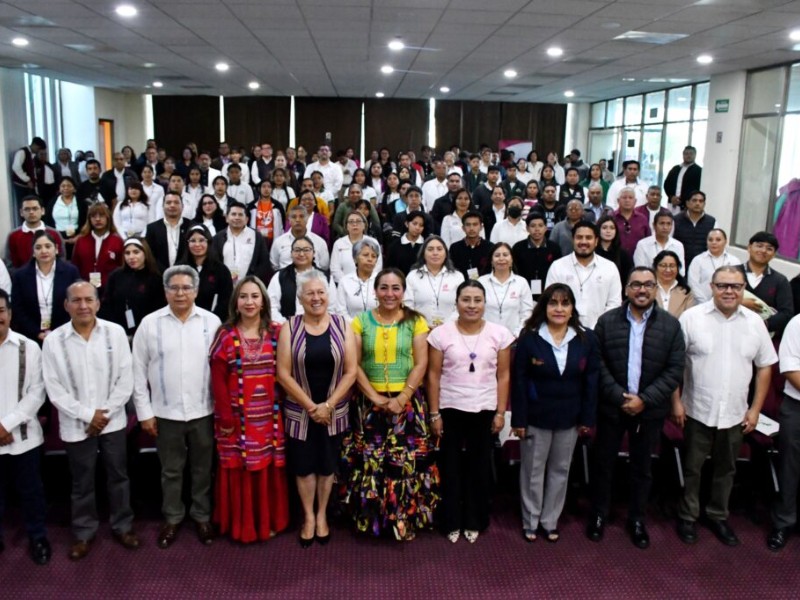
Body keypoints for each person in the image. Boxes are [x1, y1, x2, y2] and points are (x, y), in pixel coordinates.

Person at [675, 266, 778, 547]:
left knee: (726, 468)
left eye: (735, 286)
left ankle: (718, 515)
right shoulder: (692, 318)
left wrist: (755, 409)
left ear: (744, 288)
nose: (729, 291)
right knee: (693, 467)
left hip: (735, 412)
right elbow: (675, 364)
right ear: (711, 287)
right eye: (723, 286)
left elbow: (765, 367)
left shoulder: (755, 322)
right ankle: (688, 515)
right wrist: (676, 403)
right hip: (697, 408)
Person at [587, 267, 685, 549]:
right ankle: (598, 515)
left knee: (642, 468)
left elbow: (675, 368)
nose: (642, 290)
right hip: (611, 406)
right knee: (603, 463)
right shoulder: (606, 322)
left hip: (650, 409)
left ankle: (637, 519)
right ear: (626, 289)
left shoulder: (671, 325)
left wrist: (646, 399)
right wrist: (619, 396)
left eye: (648, 285)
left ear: (655, 289)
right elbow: (598, 363)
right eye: (636, 285)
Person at [340, 268, 439, 540]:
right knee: (372, 464)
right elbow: (354, 364)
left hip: (406, 405)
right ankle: (372, 521)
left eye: (396, 288)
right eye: (384, 288)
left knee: (404, 464)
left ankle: (403, 521)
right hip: (368, 404)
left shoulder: (416, 322)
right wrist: (375, 397)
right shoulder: (360, 322)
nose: (389, 294)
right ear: (375, 291)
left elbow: (422, 364)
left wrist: (403, 398)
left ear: (404, 292)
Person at [42, 281, 139, 560]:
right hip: (77, 423)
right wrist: (88, 415)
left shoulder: (115, 333)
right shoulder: (53, 341)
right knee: (81, 481)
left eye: (88, 299)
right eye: (76, 300)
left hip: (113, 421)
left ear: (97, 303)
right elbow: (54, 388)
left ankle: (123, 526)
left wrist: (103, 414)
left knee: (118, 476)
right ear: (66, 305)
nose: (83, 305)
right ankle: (83, 533)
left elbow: (126, 378)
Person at [132, 265, 222, 549]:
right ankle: (172, 517)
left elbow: (220, 370)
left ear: (196, 291)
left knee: (202, 469)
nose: (180, 293)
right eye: (174, 288)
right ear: (165, 291)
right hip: (165, 412)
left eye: (186, 287)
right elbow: (137, 372)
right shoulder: (150, 324)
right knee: (170, 470)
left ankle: (202, 516)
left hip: (203, 410)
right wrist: (144, 413)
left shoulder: (212, 322)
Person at [274, 271, 357, 547]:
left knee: (327, 465)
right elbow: (283, 374)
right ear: (300, 298)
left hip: (333, 411)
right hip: (301, 411)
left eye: (320, 292)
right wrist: (312, 407)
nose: (316, 298)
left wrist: (328, 405)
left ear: (328, 295)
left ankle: (322, 516)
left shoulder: (343, 325)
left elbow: (351, 371)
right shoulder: (290, 327)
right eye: (309, 293)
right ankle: (308, 517)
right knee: (304, 466)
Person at [512, 283, 599, 543]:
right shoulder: (529, 336)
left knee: (560, 470)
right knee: (532, 471)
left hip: (570, 418)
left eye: (565, 303)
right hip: (536, 417)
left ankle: (549, 521)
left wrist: (587, 418)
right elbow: (519, 381)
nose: (559, 309)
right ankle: (531, 520)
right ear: (544, 307)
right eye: (553, 303)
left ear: (572, 309)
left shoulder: (587, 338)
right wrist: (519, 419)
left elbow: (592, 381)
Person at [427, 280, 512, 543]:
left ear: (485, 303)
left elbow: (504, 375)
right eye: (466, 300)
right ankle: (451, 520)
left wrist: (500, 412)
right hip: (449, 408)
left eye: (477, 300)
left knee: (479, 468)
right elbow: (433, 375)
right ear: (456, 303)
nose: (472, 305)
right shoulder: (441, 334)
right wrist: (434, 414)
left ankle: (475, 519)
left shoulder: (500, 333)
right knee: (449, 467)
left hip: (484, 409)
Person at [209, 276, 290, 543]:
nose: (249, 302)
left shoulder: (278, 332)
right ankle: (242, 525)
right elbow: (218, 379)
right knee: (239, 468)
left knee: (268, 468)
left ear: (264, 301)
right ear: (235, 302)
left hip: (269, 417)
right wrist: (226, 416)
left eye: (255, 296)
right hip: (235, 418)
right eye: (243, 296)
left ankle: (268, 521)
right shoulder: (225, 334)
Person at [0, 289, 51, 565]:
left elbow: (37, 392)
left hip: (26, 436)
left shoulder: (28, 346)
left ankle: (37, 536)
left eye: (1, 311)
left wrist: (6, 425)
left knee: (32, 491)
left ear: (9, 313)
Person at [545, 221, 622, 329]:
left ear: (596, 241)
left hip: (600, 332)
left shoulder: (609, 268)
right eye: (579, 237)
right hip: (565, 331)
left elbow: (614, 304)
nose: (583, 241)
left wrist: (600, 327)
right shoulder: (558, 267)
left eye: (588, 237)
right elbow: (550, 301)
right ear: (573, 240)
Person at [11, 231, 80, 344]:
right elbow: (18, 308)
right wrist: (37, 332)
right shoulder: (20, 276)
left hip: (65, 334)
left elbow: (76, 303)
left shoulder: (71, 272)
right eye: (38, 247)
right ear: (33, 252)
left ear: (56, 249)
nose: (43, 251)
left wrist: (57, 332)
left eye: (48, 246)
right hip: (31, 336)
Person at [768, 312, 800, 551]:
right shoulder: (797, 323)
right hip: (797, 406)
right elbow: (790, 369)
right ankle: (784, 521)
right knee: (791, 466)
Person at [100, 237, 165, 338]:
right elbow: (107, 304)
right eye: (127, 253)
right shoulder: (115, 276)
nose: (131, 257)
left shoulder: (156, 277)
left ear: (145, 253)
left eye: (136, 252)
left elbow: (159, 308)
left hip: (147, 333)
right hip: (119, 332)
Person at [267, 237, 336, 324]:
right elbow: (271, 307)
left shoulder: (325, 277)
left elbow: (332, 308)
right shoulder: (280, 277)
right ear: (291, 254)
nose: (302, 254)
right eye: (297, 250)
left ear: (314, 253)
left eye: (306, 250)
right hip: (287, 328)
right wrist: (287, 325)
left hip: (320, 327)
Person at [741, 231, 794, 339]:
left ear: (774, 254)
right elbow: (715, 299)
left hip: (763, 337)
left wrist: (762, 325)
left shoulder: (780, 281)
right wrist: (739, 303)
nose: (763, 251)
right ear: (749, 247)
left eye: (769, 248)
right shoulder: (731, 273)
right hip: (729, 330)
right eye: (759, 246)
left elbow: (786, 313)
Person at [405, 236, 466, 328]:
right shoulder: (412, 276)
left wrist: (446, 326)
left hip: (451, 329)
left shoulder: (457, 277)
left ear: (446, 253)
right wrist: (422, 326)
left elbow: (461, 305)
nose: (435, 253)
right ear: (423, 253)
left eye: (439, 249)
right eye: (430, 249)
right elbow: (407, 305)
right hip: (419, 330)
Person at [477, 243, 533, 337]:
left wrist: (516, 334)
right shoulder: (481, 282)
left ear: (511, 260)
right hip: (485, 337)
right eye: (497, 255)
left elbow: (527, 313)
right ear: (491, 260)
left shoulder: (521, 282)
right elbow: (476, 311)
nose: (501, 259)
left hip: (515, 339)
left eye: (505, 255)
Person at [179, 225, 233, 322]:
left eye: (201, 240)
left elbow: (226, 301)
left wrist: (213, 321)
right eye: (193, 241)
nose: (197, 244)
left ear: (208, 242)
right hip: (182, 320)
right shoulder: (179, 268)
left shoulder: (221, 270)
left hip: (212, 322)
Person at [211, 201, 270, 283]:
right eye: (233, 214)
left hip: (250, 286)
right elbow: (214, 262)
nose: (237, 217)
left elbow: (264, 262)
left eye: (240, 215)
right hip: (225, 285)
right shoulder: (218, 238)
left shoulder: (257, 236)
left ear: (246, 219)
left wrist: (252, 281)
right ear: (227, 218)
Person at [70, 203, 124, 293]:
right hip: (85, 289)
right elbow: (75, 265)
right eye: (93, 216)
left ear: (108, 218)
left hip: (110, 289)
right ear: (89, 219)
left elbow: (121, 267)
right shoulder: (81, 241)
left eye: (101, 215)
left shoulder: (117, 241)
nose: (97, 219)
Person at [512, 212, 561, 303]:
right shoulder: (518, 248)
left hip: (548, 292)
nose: (537, 229)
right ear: (527, 228)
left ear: (546, 228)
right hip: (523, 292)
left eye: (540, 225)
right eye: (533, 226)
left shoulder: (554, 248)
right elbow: (514, 271)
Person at [6, 196, 65, 269]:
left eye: (35, 208)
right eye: (27, 209)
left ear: (42, 211)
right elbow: (10, 263)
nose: (31, 212)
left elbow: (61, 259)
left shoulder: (54, 234)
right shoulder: (13, 236)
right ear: (21, 212)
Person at [686, 228, 740, 304]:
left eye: (718, 240)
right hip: (701, 304)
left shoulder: (734, 261)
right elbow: (693, 284)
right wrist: (705, 303)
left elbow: (737, 284)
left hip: (727, 304)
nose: (714, 242)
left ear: (725, 242)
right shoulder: (698, 260)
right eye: (710, 240)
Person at [270, 205, 330, 272]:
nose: (297, 220)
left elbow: (324, 267)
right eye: (294, 217)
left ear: (307, 219)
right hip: (285, 279)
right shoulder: (279, 242)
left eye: (301, 216)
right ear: (289, 220)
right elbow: (275, 266)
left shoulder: (319, 242)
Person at [330, 211, 383, 285]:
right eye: (351, 222)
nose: (354, 224)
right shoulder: (338, 243)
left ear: (364, 225)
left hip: (369, 284)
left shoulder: (373, 242)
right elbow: (335, 268)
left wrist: (366, 281)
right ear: (346, 226)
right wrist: (347, 283)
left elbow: (378, 266)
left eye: (358, 221)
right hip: (345, 285)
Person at [336, 239, 380, 321]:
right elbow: (341, 312)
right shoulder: (345, 281)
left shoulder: (382, 280)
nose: (370, 259)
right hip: (351, 329)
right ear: (355, 258)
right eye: (365, 255)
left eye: (374, 256)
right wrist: (356, 327)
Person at [145, 192, 191, 272]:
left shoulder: (191, 226)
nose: (172, 205)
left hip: (186, 275)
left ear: (182, 206)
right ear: (163, 206)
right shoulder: (152, 228)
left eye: (176, 202)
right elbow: (150, 255)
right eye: (168, 202)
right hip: (158, 276)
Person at [44, 176, 86, 260]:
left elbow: (85, 220)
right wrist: (58, 238)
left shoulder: (81, 202)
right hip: (57, 236)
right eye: (63, 186)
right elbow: (47, 221)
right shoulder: (52, 203)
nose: (66, 188)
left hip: (78, 236)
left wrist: (79, 236)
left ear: (74, 188)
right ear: (59, 189)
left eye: (69, 186)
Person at [673, 191, 716, 269]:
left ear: (704, 204)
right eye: (694, 200)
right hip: (680, 264)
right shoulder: (675, 220)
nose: (697, 203)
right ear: (687, 203)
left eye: (701, 201)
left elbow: (715, 244)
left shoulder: (712, 222)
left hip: (703, 265)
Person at [449, 210, 493, 281]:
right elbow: (452, 270)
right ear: (463, 228)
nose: (471, 228)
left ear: (481, 227)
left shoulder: (490, 247)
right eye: (468, 225)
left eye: (475, 224)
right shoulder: (455, 248)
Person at [653, 250, 695, 318]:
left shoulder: (686, 292)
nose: (668, 270)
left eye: (672, 266)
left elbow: (689, 318)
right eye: (663, 266)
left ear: (678, 268)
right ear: (655, 267)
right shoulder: (647, 288)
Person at [595, 215, 633, 287]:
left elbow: (627, 278)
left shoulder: (623, 254)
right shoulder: (592, 252)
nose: (608, 231)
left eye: (612, 228)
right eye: (604, 228)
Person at [385, 211, 426, 276]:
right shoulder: (395, 246)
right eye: (414, 224)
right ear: (407, 224)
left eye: (421, 225)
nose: (417, 228)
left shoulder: (426, 245)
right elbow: (388, 269)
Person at [613, 187, 651, 256]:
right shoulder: (611, 217)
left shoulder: (642, 219)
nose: (627, 200)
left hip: (638, 259)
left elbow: (648, 240)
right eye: (624, 197)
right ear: (618, 200)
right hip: (615, 258)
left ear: (635, 201)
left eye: (630, 198)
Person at [664, 146, 702, 211]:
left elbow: (697, 189)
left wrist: (685, 199)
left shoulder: (699, 171)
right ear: (683, 155)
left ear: (695, 155)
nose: (688, 155)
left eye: (691, 153)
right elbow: (667, 184)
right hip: (672, 204)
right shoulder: (675, 169)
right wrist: (671, 197)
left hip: (688, 206)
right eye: (686, 153)